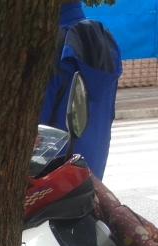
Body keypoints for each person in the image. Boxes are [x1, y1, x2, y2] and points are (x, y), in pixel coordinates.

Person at [40, 0, 122, 178]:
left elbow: (34, 127)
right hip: (90, 176)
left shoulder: (50, 47)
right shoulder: (103, 41)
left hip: (49, 179)